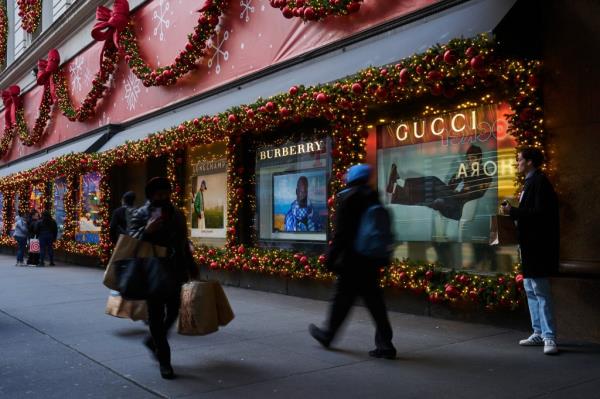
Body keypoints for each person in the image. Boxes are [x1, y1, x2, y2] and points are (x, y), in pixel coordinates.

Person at [309, 164, 396, 359]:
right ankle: (386, 344)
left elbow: (341, 234)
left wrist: (330, 258)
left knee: (341, 299)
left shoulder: (349, 198)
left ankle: (328, 335)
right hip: (371, 260)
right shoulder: (373, 196)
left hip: (352, 260)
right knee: (375, 303)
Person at [129, 177, 198, 379]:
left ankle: (152, 340)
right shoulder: (141, 213)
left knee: (175, 309)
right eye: (159, 194)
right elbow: (130, 241)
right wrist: (146, 231)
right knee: (156, 316)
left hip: (175, 269)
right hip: (152, 271)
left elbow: (182, 239)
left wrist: (190, 262)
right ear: (151, 196)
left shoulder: (176, 213)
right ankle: (164, 360)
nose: (163, 197)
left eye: (166, 193)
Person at [501, 147, 559, 355]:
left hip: (538, 247)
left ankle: (549, 337)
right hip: (529, 246)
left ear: (530, 162)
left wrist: (513, 211)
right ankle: (538, 332)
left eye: (519, 160)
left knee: (540, 290)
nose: (517, 163)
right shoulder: (530, 182)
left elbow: (540, 213)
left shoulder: (539, 182)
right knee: (531, 289)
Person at [386, 144, 492, 220]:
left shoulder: (485, 176)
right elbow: (451, 186)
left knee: (433, 182)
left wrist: (459, 193)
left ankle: (399, 183)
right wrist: (459, 175)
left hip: (459, 209)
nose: (469, 161)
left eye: (472, 159)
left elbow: (477, 193)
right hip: (451, 202)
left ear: (479, 159)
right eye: (468, 159)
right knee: (429, 195)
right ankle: (396, 191)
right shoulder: (466, 171)